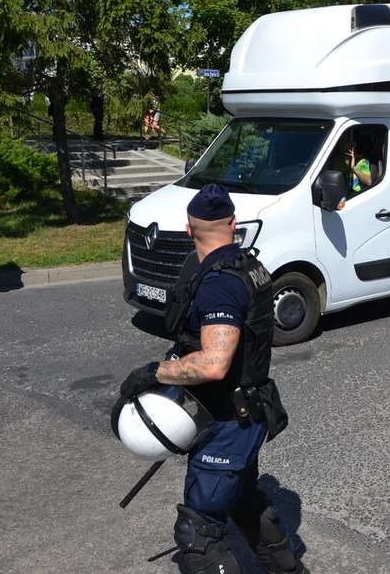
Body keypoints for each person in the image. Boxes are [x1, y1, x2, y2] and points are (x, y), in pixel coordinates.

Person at [119, 184, 308, 574]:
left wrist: (153, 372)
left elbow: (214, 364)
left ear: (189, 231)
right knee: (244, 500)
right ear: (233, 224)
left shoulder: (219, 283)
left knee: (198, 533)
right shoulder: (248, 265)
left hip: (228, 421)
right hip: (248, 412)